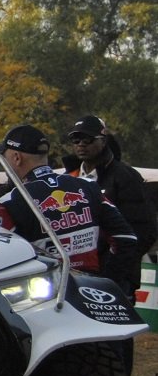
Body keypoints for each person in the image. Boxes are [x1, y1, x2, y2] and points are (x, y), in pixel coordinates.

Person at [0, 124, 140, 297]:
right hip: (91, 289)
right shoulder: (88, 186)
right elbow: (126, 238)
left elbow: (3, 259)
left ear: (16, 158)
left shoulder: (9, 202)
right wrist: (107, 282)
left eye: (4, 157)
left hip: (43, 296)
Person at [66, 115, 157, 296]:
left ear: (103, 140)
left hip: (116, 278)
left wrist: (115, 270)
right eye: (76, 139)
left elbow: (145, 229)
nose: (81, 144)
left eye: (87, 139)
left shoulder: (126, 176)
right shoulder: (69, 179)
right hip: (75, 275)